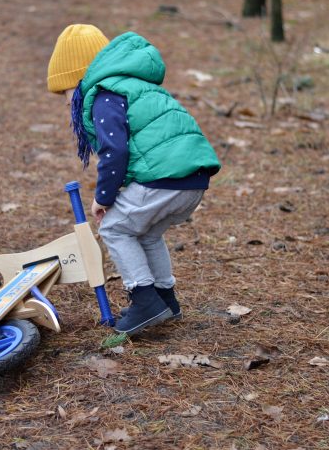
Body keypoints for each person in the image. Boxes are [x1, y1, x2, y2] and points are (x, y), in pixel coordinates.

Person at [47, 24, 221, 335]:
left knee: (114, 227)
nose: (65, 100)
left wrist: (103, 197)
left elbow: (115, 152)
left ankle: (144, 300)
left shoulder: (104, 96)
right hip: (191, 177)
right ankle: (165, 299)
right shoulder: (133, 86)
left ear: (81, 78)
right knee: (147, 234)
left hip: (165, 177)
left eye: (66, 91)